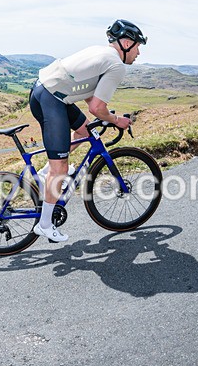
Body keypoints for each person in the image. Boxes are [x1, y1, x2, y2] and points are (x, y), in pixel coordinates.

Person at [29, 18, 146, 242]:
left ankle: (47, 173)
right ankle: (44, 224)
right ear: (127, 42)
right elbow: (96, 107)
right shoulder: (116, 66)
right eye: (138, 47)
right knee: (60, 168)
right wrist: (115, 120)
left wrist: (104, 114)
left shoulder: (102, 52)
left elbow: (88, 92)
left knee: (84, 131)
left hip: (47, 93)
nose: (138, 53)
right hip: (52, 100)